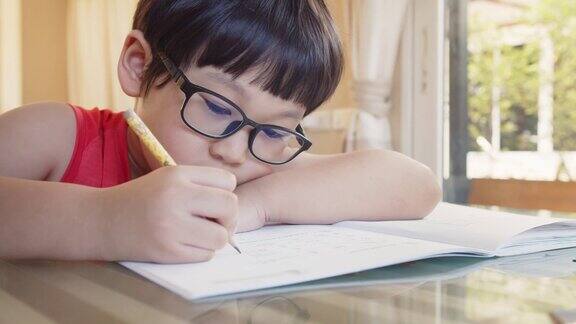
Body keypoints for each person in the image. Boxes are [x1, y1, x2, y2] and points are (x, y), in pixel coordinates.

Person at [0, 0, 441, 263]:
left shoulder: (257, 164)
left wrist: (255, 207)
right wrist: (106, 220)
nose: (233, 151)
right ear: (139, 66)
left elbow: (416, 186)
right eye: (214, 106)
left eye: (273, 129)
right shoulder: (60, 135)